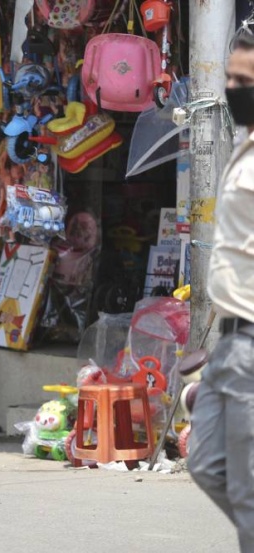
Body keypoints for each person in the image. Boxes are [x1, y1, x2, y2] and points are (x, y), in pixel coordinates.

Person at [188, 27, 254, 553]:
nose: (234, 88)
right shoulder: (246, 144)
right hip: (231, 343)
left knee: (250, 494)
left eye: (245, 80)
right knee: (207, 464)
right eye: (232, 78)